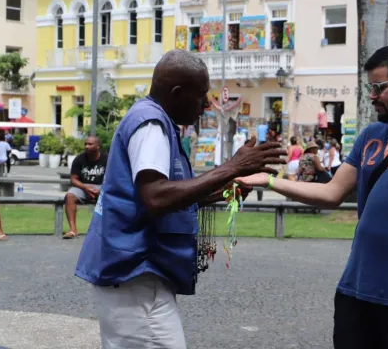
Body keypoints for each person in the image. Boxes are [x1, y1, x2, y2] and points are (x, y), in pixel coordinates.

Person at [238, 44, 388, 348]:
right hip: (354, 292)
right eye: (369, 88)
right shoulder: (370, 136)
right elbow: (331, 192)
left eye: (379, 87)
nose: (372, 96)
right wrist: (269, 182)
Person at [74, 50, 287, 349]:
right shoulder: (151, 125)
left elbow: (164, 197)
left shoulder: (154, 120)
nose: (205, 105)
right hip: (135, 277)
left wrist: (222, 190)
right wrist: (233, 167)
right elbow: (156, 197)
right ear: (177, 93)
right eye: (201, 96)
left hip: (135, 276)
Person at [62, 136, 107, 239]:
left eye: (90, 144)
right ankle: (73, 230)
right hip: (83, 186)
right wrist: (86, 188)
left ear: (98, 146)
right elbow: (73, 179)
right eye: (85, 144)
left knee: (112, 197)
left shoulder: (107, 158)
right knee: (70, 196)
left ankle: (106, 230)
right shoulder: (79, 159)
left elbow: (113, 177)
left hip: (102, 186)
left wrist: (101, 190)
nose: (86, 146)